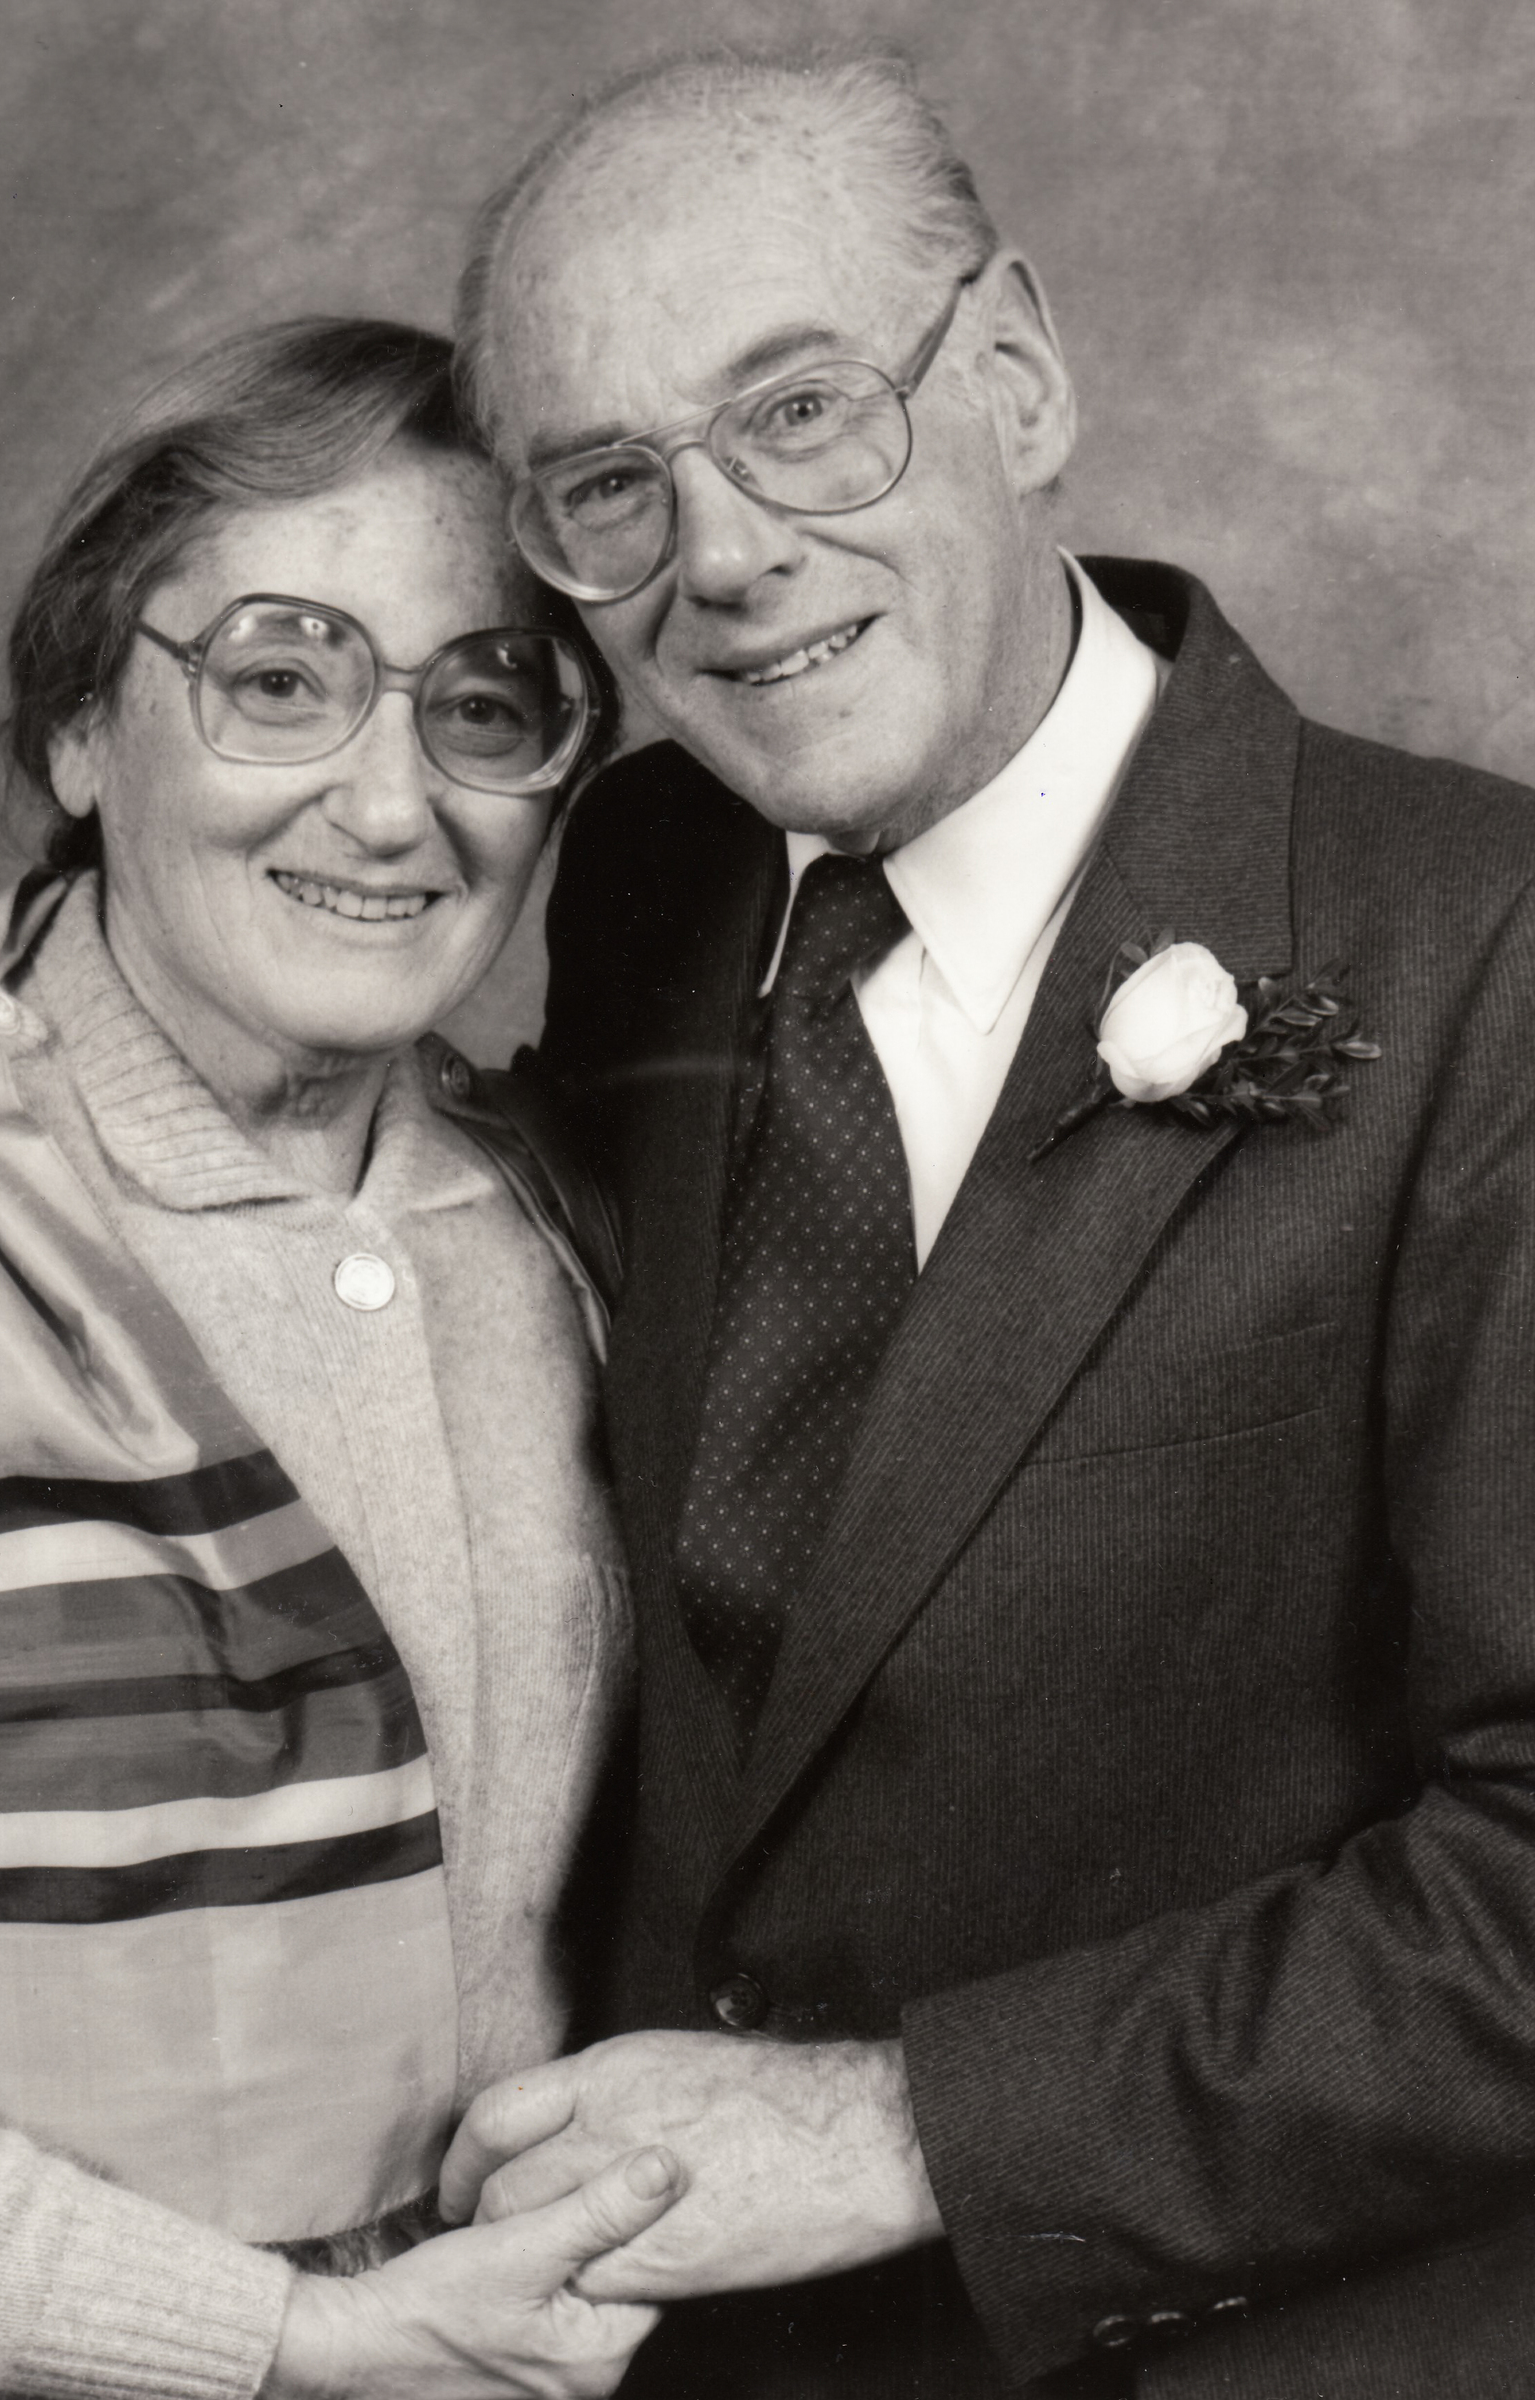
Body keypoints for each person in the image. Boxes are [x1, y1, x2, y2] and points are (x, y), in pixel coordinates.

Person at [436, 46, 1535, 2399]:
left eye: (799, 412)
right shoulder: (646, 882)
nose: (723, 557)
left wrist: (905, 2130)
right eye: (608, 486)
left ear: (1016, 375)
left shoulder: (1486, 951)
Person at [0, 313, 681, 2400]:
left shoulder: (555, 1218)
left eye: (484, 704)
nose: (390, 805)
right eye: (280, 679)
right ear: (80, 725)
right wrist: (290, 2345)